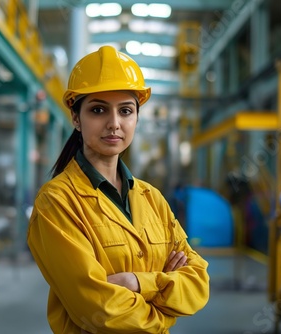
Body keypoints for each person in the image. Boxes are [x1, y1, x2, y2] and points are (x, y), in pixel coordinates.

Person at [27, 45, 209, 334]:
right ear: (76, 118)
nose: (114, 124)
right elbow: (100, 310)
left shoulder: (152, 199)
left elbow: (198, 282)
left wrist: (136, 283)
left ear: (136, 117)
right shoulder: (56, 202)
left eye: (125, 110)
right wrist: (164, 313)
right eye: (98, 110)